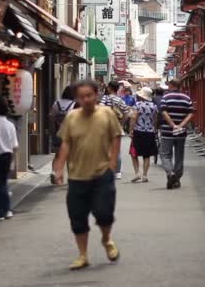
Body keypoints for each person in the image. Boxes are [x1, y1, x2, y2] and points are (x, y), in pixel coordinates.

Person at [53, 79, 122, 270]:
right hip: (77, 176)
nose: (86, 100)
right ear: (77, 98)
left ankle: (107, 240)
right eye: (81, 97)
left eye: (89, 95)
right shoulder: (72, 117)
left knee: (104, 213)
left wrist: (112, 162)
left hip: (102, 173)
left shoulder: (107, 114)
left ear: (96, 95)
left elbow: (116, 136)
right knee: (77, 217)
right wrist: (59, 168)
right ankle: (83, 255)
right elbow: (66, 143)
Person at [160, 79, 194, 190]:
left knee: (165, 154)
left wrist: (172, 125)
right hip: (181, 133)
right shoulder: (187, 98)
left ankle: (170, 174)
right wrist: (181, 125)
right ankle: (177, 179)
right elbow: (190, 113)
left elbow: (163, 112)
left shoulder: (165, 98)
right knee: (179, 156)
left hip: (167, 132)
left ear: (171, 85)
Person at [100, 80, 130, 179]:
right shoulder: (119, 100)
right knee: (117, 150)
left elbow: (100, 110)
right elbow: (126, 112)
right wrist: (121, 123)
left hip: (105, 127)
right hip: (117, 127)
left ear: (109, 88)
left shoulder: (105, 98)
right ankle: (118, 172)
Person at [129, 87, 158, 183]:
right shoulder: (154, 106)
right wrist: (155, 129)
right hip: (150, 132)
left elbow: (133, 118)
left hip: (138, 132)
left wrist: (130, 131)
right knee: (147, 155)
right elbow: (155, 120)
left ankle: (137, 173)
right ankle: (145, 175)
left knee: (134, 153)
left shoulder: (137, 105)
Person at [50, 86, 76, 153]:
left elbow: (52, 117)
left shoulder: (56, 103)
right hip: (70, 133)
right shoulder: (74, 104)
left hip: (58, 132)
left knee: (58, 153)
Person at [152, 86, 166, 165]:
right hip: (164, 118)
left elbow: (153, 109)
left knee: (155, 133)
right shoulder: (165, 98)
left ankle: (156, 140)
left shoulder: (153, 98)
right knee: (163, 133)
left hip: (156, 118)